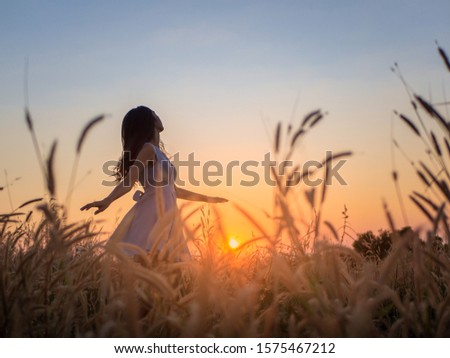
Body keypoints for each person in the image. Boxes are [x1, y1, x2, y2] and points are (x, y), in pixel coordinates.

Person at [80, 106, 227, 259]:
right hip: (152, 212)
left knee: (167, 268)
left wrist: (208, 199)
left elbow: (174, 190)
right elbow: (130, 180)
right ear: (150, 121)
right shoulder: (148, 149)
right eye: (154, 114)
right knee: (152, 261)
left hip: (168, 214)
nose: (158, 116)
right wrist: (108, 199)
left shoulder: (158, 153)